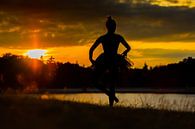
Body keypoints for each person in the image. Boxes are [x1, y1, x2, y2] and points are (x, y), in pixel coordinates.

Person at [89, 16, 131, 107]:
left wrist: (91, 59)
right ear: (110, 27)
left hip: (110, 60)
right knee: (107, 83)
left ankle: (111, 103)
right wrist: (91, 60)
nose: (114, 28)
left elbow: (91, 50)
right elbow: (128, 48)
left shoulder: (106, 38)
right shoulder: (111, 37)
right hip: (108, 60)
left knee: (110, 83)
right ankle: (110, 95)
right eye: (113, 26)